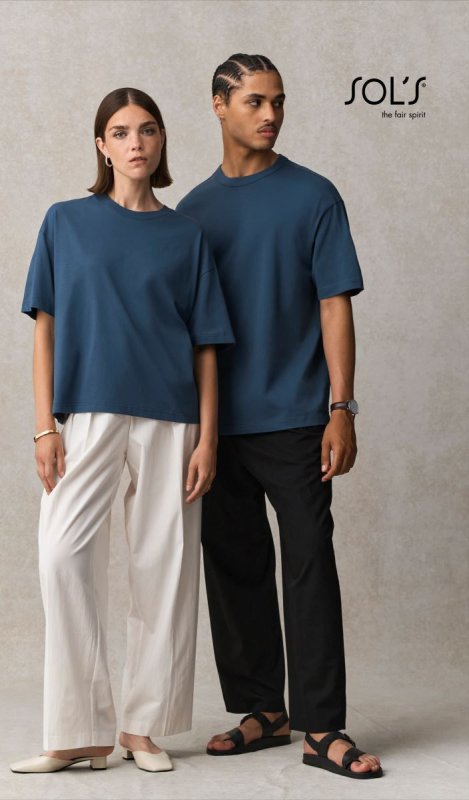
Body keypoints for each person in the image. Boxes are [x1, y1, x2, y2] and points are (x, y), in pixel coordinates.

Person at [10, 88, 236, 775]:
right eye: (120, 132)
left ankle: (143, 727)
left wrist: (208, 437)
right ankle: (79, 730)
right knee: (61, 555)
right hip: (89, 412)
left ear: (161, 142)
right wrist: (43, 427)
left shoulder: (185, 235)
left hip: (172, 416)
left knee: (163, 566)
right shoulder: (66, 222)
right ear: (101, 146)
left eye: (147, 130)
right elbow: (45, 328)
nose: (135, 142)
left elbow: (206, 344)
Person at [175, 53, 383, 780]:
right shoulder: (192, 212)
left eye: (279, 101)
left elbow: (334, 303)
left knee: (307, 566)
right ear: (218, 105)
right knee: (233, 568)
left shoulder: (313, 195)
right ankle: (263, 709)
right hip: (215, 426)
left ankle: (323, 726)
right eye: (255, 101)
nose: (271, 115)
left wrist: (341, 407)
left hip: (296, 417)